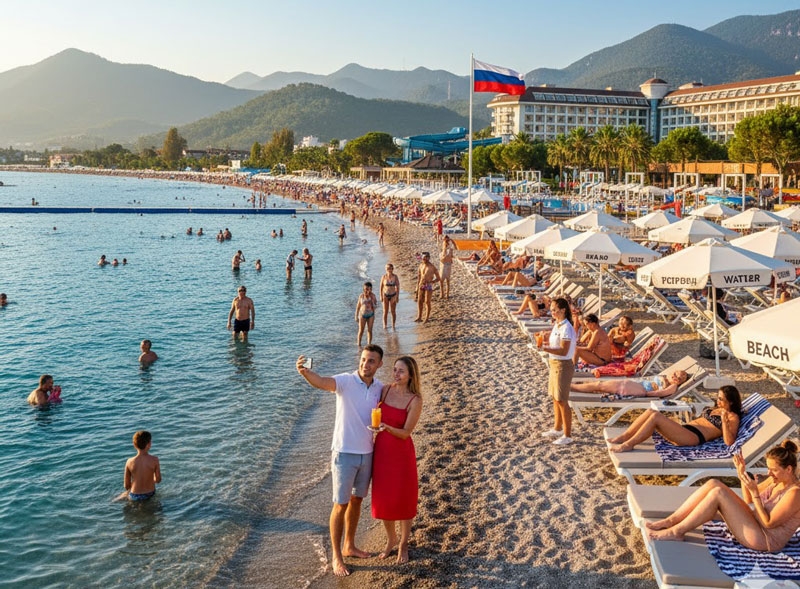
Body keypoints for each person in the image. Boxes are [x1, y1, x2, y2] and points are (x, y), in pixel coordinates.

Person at [296, 345, 384, 577]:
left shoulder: (378, 388)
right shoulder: (345, 381)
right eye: (364, 359)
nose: (366, 364)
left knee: (357, 501)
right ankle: (336, 556)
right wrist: (305, 373)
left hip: (367, 452)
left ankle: (350, 545)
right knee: (340, 504)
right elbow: (323, 382)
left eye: (372, 361)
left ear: (379, 365)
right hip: (344, 453)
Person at [646, 440, 800, 551]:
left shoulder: (795, 493)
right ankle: (671, 521)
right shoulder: (776, 481)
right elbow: (748, 499)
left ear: (788, 469)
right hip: (754, 522)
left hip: (764, 539)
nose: (769, 473)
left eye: (773, 469)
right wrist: (741, 475)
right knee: (714, 483)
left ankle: (676, 532)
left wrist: (755, 493)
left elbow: (769, 523)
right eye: (768, 468)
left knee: (718, 494)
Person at [372, 356, 423, 564]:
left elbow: (406, 432)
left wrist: (386, 427)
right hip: (382, 451)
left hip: (401, 453)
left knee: (403, 498)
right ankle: (391, 539)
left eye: (401, 371)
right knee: (383, 497)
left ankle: (403, 542)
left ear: (411, 374)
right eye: (395, 370)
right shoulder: (384, 390)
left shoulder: (415, 400)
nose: (396, 374)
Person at [607, 385, 742, 453]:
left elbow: (729, 442)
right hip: (686, 429)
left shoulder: (732, 417)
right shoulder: (717, 408)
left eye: (721, 399)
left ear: (731, 402)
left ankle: (628, 445)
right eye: (717, 397)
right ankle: (625, 436)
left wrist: (724, 421)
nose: (717, 401)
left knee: (656, 416)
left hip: (694, 437)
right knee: (651, 411)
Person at [538, 298, 578, 445]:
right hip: (554, 363)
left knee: (562, 400)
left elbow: (563, 350)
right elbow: (556, 344)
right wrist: (546, 338)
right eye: (552, 310)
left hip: (563, 365)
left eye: (555, 309)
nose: (552, 312)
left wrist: (544, 348)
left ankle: (567, 435)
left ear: (562, 310)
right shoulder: (558, 324)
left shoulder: (566, 328)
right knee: (555, 397)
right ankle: (557, 428)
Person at [570, 370, 689, 397]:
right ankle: (576, 386)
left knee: (600, 385)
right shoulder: (667, 378)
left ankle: (573, 387)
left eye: (679, 377)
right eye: (675, 373)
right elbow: (667, 376)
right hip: (636, 384)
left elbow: (661, 393)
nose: (675, 376)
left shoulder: (673, 386)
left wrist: (646, 394)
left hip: (639, 388)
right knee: (601, 386)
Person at [123, 431, 161, 502]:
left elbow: (126, 485)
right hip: (150, 494)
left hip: (134, 495)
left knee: (125, 494)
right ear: (149, 444)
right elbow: (158, 480)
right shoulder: (154, 460)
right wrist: (149, 480)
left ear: (134, 445)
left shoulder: (129, 461)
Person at [414, 253, 441, 323]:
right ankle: (419, 317)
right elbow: (419, 277)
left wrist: (432, 282)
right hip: (421, 285)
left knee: (427, 301)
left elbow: (438, 278)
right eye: (423, 258)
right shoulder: (421, 265)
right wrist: (417, 287)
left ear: (429, 258)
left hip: (428, 285)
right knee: (419, 301)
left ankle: (427, 318)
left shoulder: (432, 267)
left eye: (426, 258)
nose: (424, 259)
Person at [355, 282, 378, 347]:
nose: (368, 290)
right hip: (362, 315)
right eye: (366, 289)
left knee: (369, 330)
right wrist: (356, 316)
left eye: (370, 289)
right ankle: (359, 345)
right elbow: (358, 306)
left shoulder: (373, 296)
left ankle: (369, 344)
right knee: (361, 330)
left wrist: (373, 302)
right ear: (363, 289)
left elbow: (376, 305)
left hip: (371, 315)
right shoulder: (361, 296)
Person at [380, 263, 400, 329]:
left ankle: (393, 325)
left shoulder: (395, 276)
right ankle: (384, 325)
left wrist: (397, 296)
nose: (389, 270)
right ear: (385, 269)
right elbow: (381, 287)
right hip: (385, 295)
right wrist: (381, 296)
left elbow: (397, 286)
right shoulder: (383, 277)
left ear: (392, 269)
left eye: (390, 268)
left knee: (393, 311)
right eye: (387, 268)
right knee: (385, 311)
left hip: (393, 295)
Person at [439, 235, 455, 299]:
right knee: (443, 280)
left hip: (446, 264)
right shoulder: (445, 248)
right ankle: (443, 294)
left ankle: (445, 294)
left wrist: (451, 240)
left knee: (446, 280)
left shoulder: (449, 249)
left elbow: (446, 257)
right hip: (445, 264)